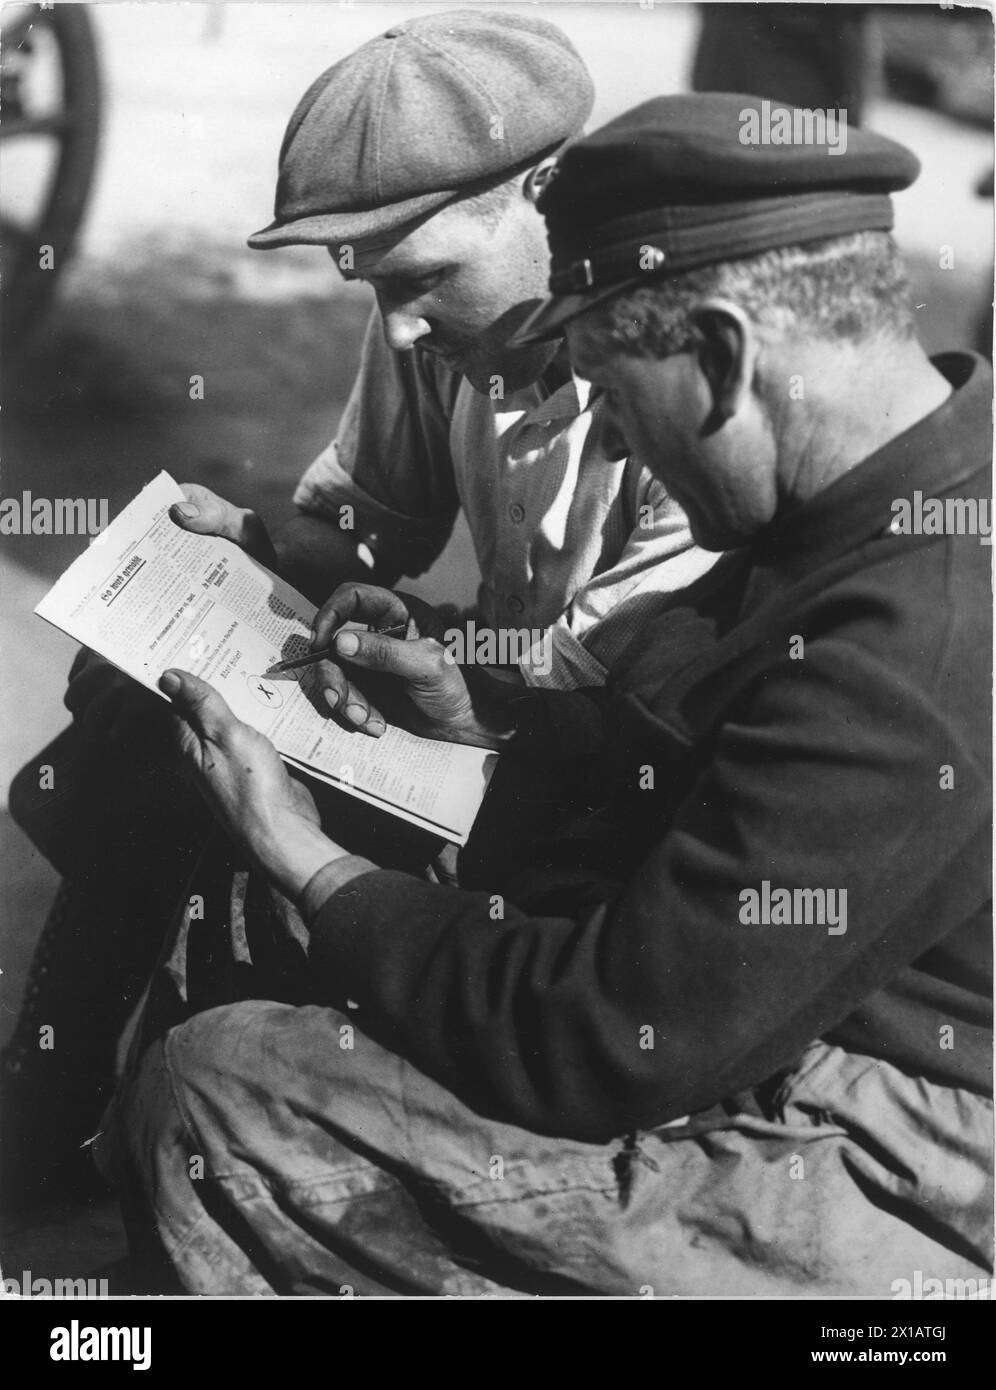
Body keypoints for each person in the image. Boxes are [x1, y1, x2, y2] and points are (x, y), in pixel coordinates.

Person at [97, 93, 992, 1296]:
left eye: (615, 397)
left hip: (896, 1150)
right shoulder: (879, 489)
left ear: (723, 358)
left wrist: (306, 857)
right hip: (771, 1012)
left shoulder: (919, 641)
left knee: (220, 1095)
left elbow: (607, 1036)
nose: (612, 437)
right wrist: (473, 722)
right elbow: (677, 742)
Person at [2, 10, 711, 1201]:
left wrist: (457, 682)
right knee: (163, 710)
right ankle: (61, 1097)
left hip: (615, 795)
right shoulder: (433, 313)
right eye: (375, 284)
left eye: (424, 279)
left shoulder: (671, 377)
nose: (399, 326)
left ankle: (193, 1121)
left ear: (548, 186)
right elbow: (373, 517)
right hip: (494, 712)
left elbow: (631, 709)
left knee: (224, 786)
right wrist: (258, 555)